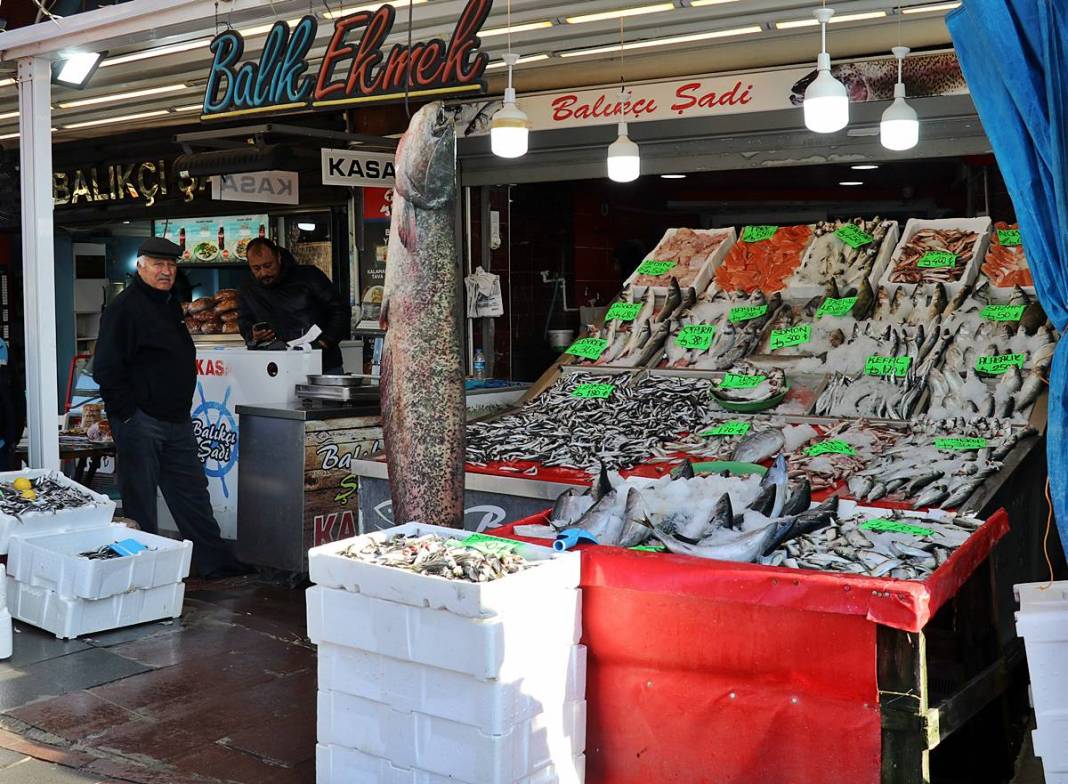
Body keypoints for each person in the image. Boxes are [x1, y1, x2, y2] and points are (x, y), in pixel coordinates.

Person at [94, 237, 247, 579]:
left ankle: (215, 562)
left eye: (171, 265)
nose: (166, 271)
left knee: (192, 493)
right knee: (141, 500)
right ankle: (146, 570)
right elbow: (105, 367)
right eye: (158, 265)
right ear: (141, 266)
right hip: (141, 419)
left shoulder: (167, 302)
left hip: (176, 418)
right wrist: (128, 412)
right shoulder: (125, 308)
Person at [237, 237, 351, 374]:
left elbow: (340, 310)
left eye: (268, 266)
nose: (263, 273)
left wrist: (325, 342)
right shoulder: (248, 288)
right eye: (256, 268)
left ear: (278, 258)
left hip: (323, 365)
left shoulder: (309, 276)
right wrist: (253, 335)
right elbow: (244, 321)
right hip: (275, 369)